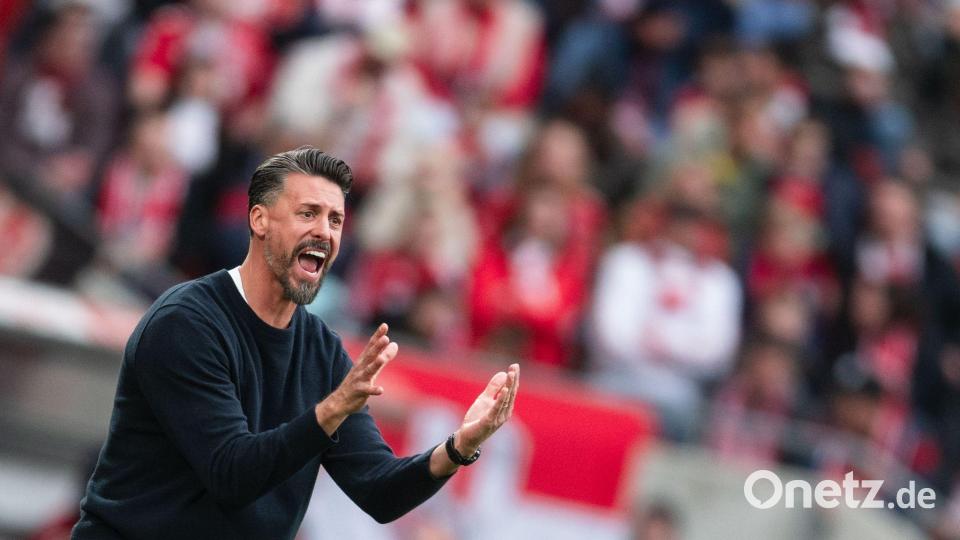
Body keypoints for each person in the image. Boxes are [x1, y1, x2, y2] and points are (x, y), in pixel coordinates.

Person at [72, 147, 520, 539]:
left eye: (336, 219)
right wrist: (329, 412)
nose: (325, 231)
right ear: (259, 219)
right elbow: (231, 473)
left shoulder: (321, 350)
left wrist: (459, 447)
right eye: (308, 213)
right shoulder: (186, 323)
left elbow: (379, 490)